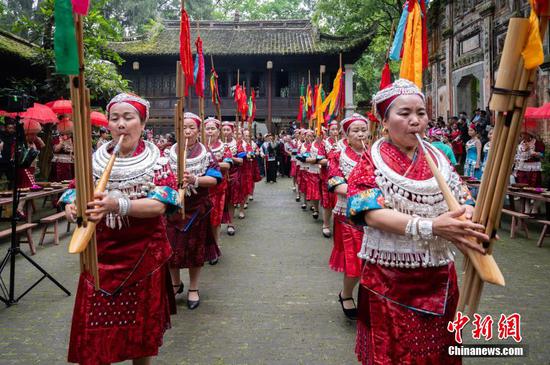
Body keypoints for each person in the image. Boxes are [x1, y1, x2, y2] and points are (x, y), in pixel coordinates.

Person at [346, 79, 486, 364]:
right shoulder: (371, 161)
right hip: (389, 280)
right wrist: (430, 226)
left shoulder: (439, 158)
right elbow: (368, 212)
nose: (415, 121)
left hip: (439, 278)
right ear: (384, 121)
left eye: (420, 113)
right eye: (404, 113)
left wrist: (467, 214)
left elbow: (462, 198)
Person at [61, 93, 179, 365]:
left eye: (129, 117)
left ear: (142, 122)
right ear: (108, 125)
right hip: (98, 256)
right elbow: (72, 194)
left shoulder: (158, 161)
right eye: (115, 118)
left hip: (144, 255)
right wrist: (72, 208)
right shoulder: (93, 160)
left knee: (140, 334)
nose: (121, 124)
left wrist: (118, 204)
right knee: (95, 334)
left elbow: (162, 204)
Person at [166, 112, 222, 310]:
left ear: (198, 131)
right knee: (170, 249)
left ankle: (194, 287)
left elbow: (215, 179)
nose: (187, 131)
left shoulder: (206, 153)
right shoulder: (167, 152)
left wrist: (195, 180)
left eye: (191, 128)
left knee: (194, 248)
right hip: (171, 208)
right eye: (183, 128)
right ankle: (175, 283)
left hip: (196, 209)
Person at [327, 113, 368, 320]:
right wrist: (365, 193)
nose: (360, 134)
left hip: (377, 215)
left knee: (373, 262)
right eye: (355, 130)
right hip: (348, 215)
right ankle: (346, 294)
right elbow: (335, 183)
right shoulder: (338, 154)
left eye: (363, 130)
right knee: (354, 261)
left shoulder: (376, 154)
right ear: (346, 134)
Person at [204, 117, 232, 263]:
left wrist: (211, 163)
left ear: (218, 130)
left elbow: (227, 165)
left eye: (212, 129)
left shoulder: (224, 147)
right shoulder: (200, 147)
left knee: (215, 220)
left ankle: (215, 247)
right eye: (207, 129)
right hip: (201, 189)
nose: (209, 132)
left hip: (218, 189)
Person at [221, 121, 245, 235]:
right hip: (219, 175)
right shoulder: (218, 144)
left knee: (230, 200)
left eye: (228, 130)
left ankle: (231, 224)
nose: (225, 132)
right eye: (223, 130)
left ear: (232, 131)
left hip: (233, 175)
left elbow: (241, 161)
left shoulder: (237, 144)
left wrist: (231, 157)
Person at [297, 129, 325, 220]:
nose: (319, 136)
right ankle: (315, 209)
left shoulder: (326, 144)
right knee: (314, 190)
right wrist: (313, 159)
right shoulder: (311, 146)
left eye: (321, 134)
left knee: (323, 191)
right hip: (312, 170)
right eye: (308, 136)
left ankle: (322, 210)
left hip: (324, 171)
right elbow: (305, 157)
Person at [320, 121, 340, 237]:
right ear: (329, 131)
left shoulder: (344, 143)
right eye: (332, 129)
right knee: (328, 203)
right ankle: (326, 225)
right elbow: (319, 159)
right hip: (327, 177)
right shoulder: (324, 143)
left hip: (341, 177)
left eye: (336, 129)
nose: (335, 131)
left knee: (339, 203)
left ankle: (339, 226)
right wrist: (331, 161)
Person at [239, 129, 260, 218]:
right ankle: (240, 203)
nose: (247, 137)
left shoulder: (252, 143)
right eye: (246, 135)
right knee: (241, 186)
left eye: (249, 136)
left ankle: (244, 203)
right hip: (241, 168)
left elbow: (257, 151)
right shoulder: (240, 144)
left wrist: (256, 153)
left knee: (248, 185)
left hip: (250, 167)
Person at [50, 116, 75, 182]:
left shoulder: (73, 140)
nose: (67, 135)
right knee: (59, 181)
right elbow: (55, 150)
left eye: (69, 133)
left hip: (71, 164)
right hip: (59, 164)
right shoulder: (57, 139)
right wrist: (62, 143)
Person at [0, 118, 16, 188]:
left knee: (12, 179)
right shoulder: (2, 134)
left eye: (12, 128)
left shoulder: (14, 136)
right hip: (1, 161)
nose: (11, 129)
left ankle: (10, 194)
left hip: (10, 161)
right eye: (9, 128)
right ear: (5, 128)